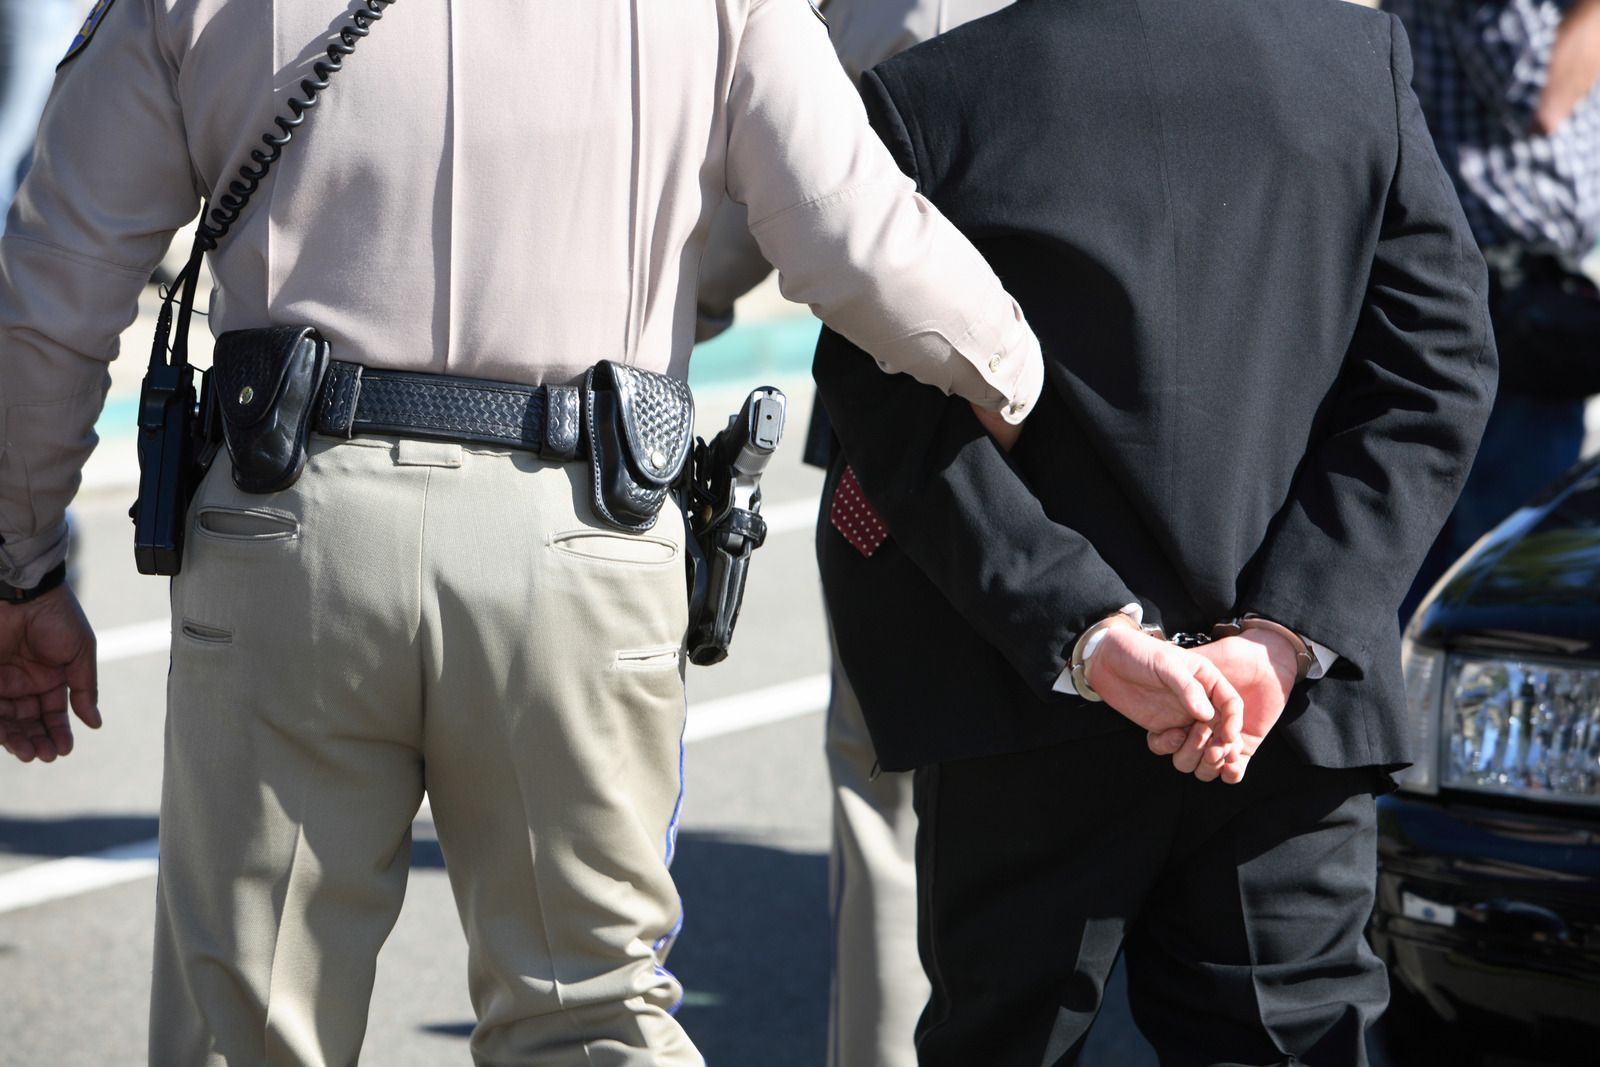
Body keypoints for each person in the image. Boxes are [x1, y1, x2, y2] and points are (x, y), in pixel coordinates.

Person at [0, 0, 1046, 1063]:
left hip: (291, 525)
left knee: (253, 1019)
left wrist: (21, 561)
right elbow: (856, 236)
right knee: (590, 1011)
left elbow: (53, 287)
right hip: (582, 528)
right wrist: (1032, 390)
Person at [812, 0, 1498, 1062]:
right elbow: (1436, 364)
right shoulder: (1354, 62)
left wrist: (1086, 632)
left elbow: (893, 414)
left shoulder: (931, 95)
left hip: (1025, 699)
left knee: (1006, 1037)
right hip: (1283, 717)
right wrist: (1284, 629)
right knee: (1288, 1034)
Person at [694, 3, 1009, 1065]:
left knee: (894, 799)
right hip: (1147, 437)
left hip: (916, 449)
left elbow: (780, 158)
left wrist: (645, 307)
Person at [1388, 0, 1600, 623]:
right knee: (1507, 564)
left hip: (1509, 289)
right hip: (1494, 292)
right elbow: (1541, 97)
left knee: (1450, 542)